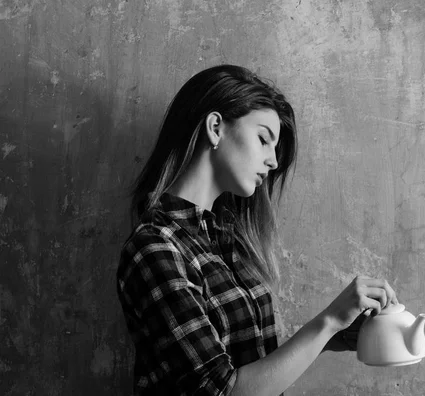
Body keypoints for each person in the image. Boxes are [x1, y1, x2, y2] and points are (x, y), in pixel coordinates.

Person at [116, 64, 399, 396]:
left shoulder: (224, 240)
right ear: (215, 127)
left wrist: (336, 335)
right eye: (264, 139)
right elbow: (223, 390)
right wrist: (329, 320)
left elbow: (251, 364)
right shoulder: (155, 249)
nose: (274, 161)